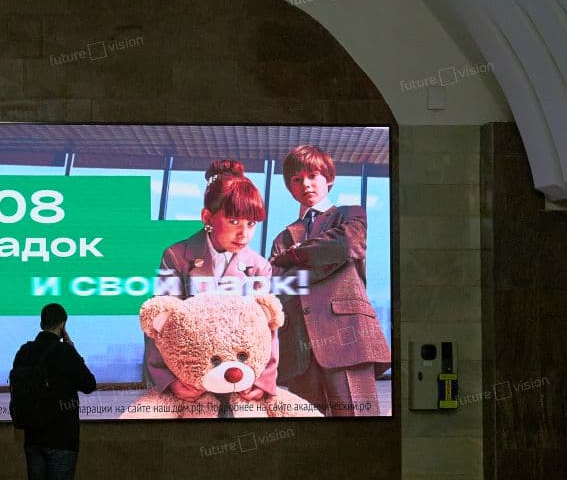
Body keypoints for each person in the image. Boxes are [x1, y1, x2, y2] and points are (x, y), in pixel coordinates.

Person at [142, 159, 280, 417]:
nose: (244, 234)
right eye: (234, 221)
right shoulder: (176, 256)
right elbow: (160, 320)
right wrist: (169, 381)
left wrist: (263, 381)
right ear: (207, 217)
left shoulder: (259, 266)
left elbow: (268, 327)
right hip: (190, 382)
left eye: (251, 224)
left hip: (240, 379)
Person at [269, 144, 390, 416]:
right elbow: (278, 284)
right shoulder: (282, 237)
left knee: (359, 426)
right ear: (289, 187)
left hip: (347, 337)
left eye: (313, 176)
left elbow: (346, 244)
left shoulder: (350, 214)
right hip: (299, 348)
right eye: (297, 179)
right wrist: (322, 259)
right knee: (307, 430)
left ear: (329, 179)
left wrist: (294, 256)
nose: (305, 184)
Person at [12, 303, 97, 480]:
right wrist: (72, 348)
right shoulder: (64, 352)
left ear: (41, 322)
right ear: (62, 324)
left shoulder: (24, 351)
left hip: (33, 436)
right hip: (61, 438)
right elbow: (89, 384)